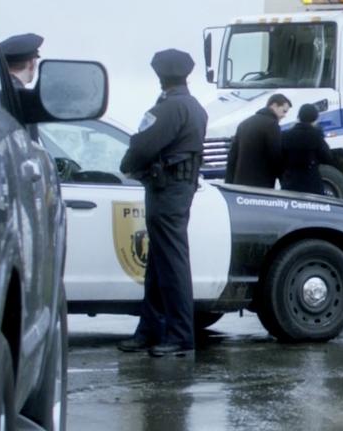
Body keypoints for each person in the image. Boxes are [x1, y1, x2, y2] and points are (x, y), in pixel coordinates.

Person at [117, 49, 208, 358]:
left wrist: (128, 163)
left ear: (160, 77)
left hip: (167, 190)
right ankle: (151, 329)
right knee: (159, 263)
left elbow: (140, 145)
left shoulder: (170, 108)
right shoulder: (194, 107)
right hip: (177, 188)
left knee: (171, 264)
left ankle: (180, 334)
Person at [225, 93, 292, 187]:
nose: (284, 115)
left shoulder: (244, 123)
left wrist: (229, 182)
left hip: (239, 183)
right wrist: (284, 181)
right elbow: (275, 156)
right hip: (261, 184)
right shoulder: (272, 125)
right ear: (274, 105)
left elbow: (233, 156)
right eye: (284, 111)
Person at [281, 103, 333, 194]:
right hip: (311, 183)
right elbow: (327, 158)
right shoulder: (316, 136)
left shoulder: (285, 135)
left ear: (299, 117)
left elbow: (279, 157)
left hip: (290, 183)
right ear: (315, 118)